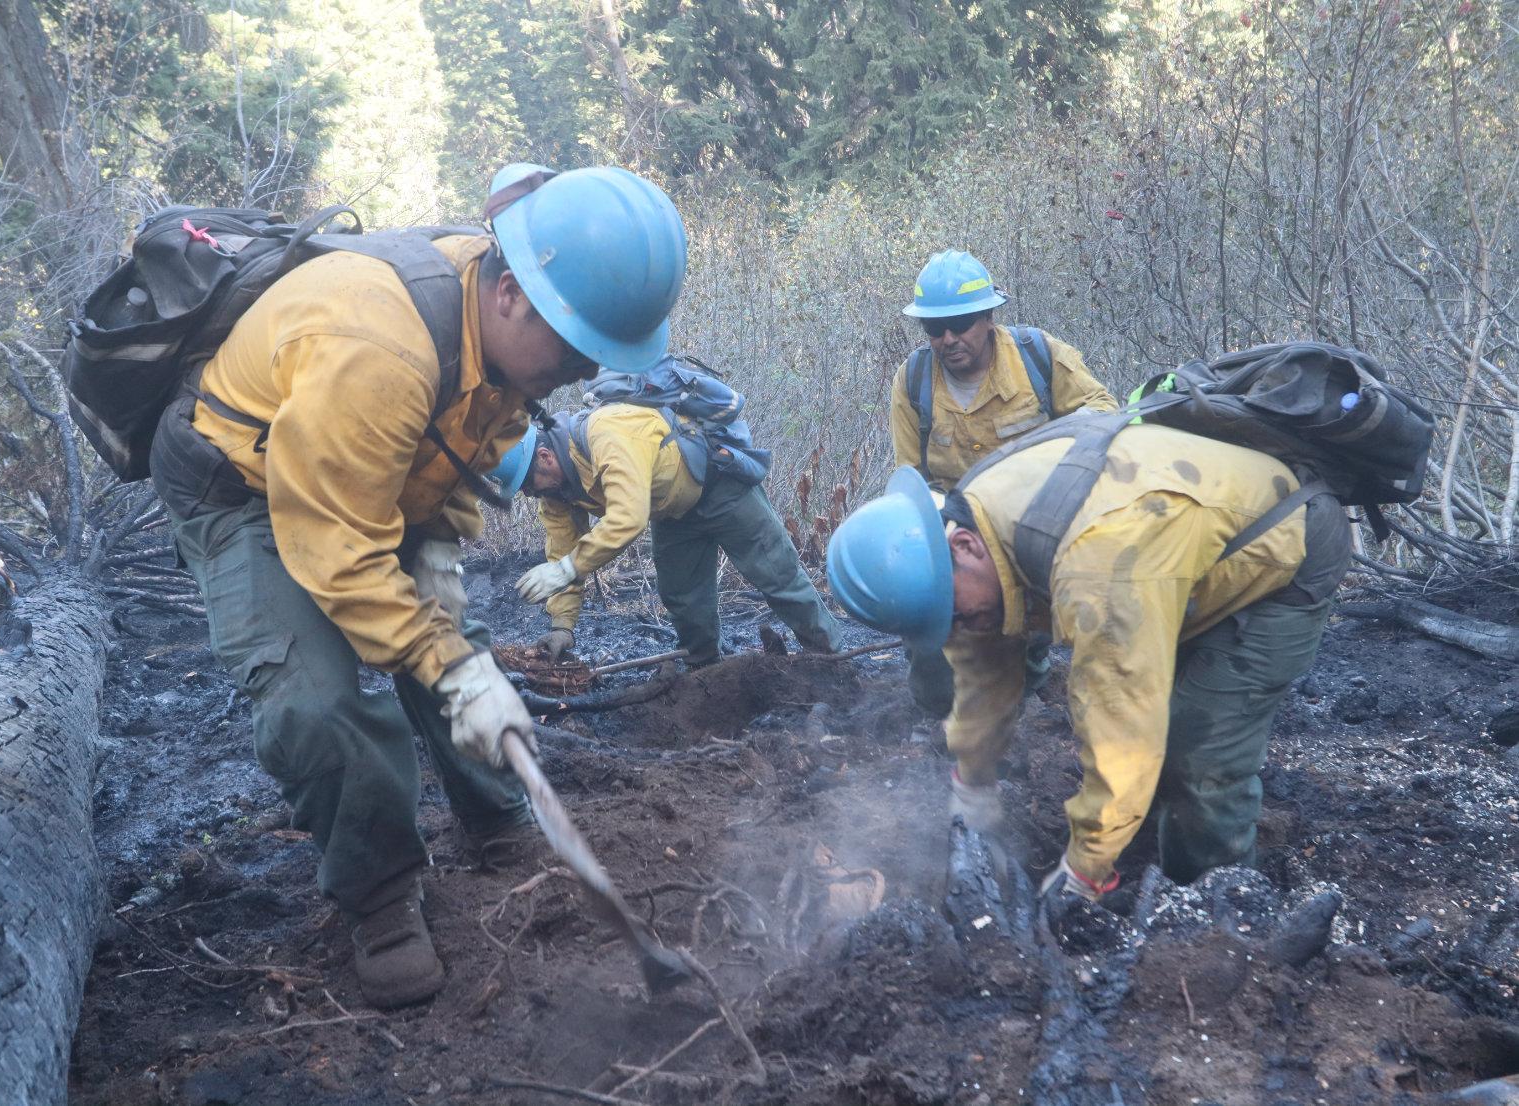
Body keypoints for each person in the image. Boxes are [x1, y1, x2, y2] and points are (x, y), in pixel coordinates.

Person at [146, 163, 687, 1008]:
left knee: (443, 643)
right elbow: (337, 553)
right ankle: (381, 893)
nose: (581, 371)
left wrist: (440, 548)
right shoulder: (376, 348)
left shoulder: (504, 322)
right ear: (510, 292)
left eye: (597, 354)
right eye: (574, 344)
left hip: (361, 476)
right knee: (317, 704)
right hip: (242, 486)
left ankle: (498, 817)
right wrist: (448, 659)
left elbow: (465, 440)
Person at [827, 425, 1350, 902]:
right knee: (1155, 722)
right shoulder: (975, 526)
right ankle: (1148, 827)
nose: (958, 628)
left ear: (961, 545)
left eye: (954, 614)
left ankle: (1215, 906)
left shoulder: (1097, 566)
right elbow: (984, 669)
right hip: (1172, 561)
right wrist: (973, 779)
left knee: (1198, 752)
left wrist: (1086, 867)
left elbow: (1122, 723)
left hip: (1281, 552)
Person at [892, 249, 1117, 718]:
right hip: (957, 535)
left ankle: (1030, 698)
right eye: (935, 329)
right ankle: (934, 720)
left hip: (1034, 526)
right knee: (933, 644)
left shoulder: (1039, 356)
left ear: (989, 318)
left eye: (962, 323)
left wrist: (1048, 464)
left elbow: (1105, 416)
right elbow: (909, 480)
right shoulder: (913, 381)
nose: (949, 339)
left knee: (1029, 636)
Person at [509, 403, 842, 666]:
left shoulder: (605, 434)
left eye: (527, 484)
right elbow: (561, 550)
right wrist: (562, 628)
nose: (529, 494)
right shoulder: (554, 494)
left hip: (720, 486)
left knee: (777, 572)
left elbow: (628, 517)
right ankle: (706, 676)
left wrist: (568, 569)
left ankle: (831, 658)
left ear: (545, 456)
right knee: (684, 601)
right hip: (671, 513)